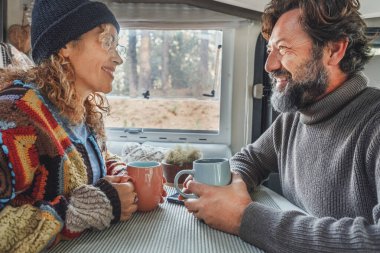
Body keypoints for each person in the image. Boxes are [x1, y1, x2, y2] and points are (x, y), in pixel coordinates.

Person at [183, 0, 380, 252]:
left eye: (284, 49)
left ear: (334, 50)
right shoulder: (294, 118)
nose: (269, 65)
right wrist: (230, 188)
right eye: (269, 50)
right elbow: (250, 158)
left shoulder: (374, 123)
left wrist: (243, 218)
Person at [0, 0, 165, 252]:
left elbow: (99, 160)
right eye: (107, 41)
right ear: (65, 44)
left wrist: (123, 175)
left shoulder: (82, 112)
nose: (118, 58)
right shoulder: (17, 113)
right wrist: (82, 211)